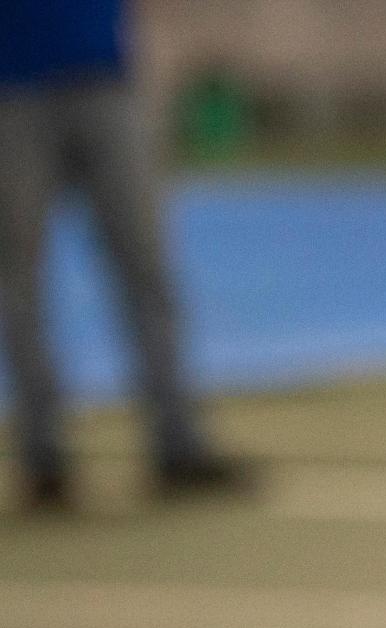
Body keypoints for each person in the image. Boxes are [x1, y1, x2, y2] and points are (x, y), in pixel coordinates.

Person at [0, 0, 252, 511]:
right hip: (13, 90)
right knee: (20, 279)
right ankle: (42, 455)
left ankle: (176, 443)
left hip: (104, 81)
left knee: (147, 266)